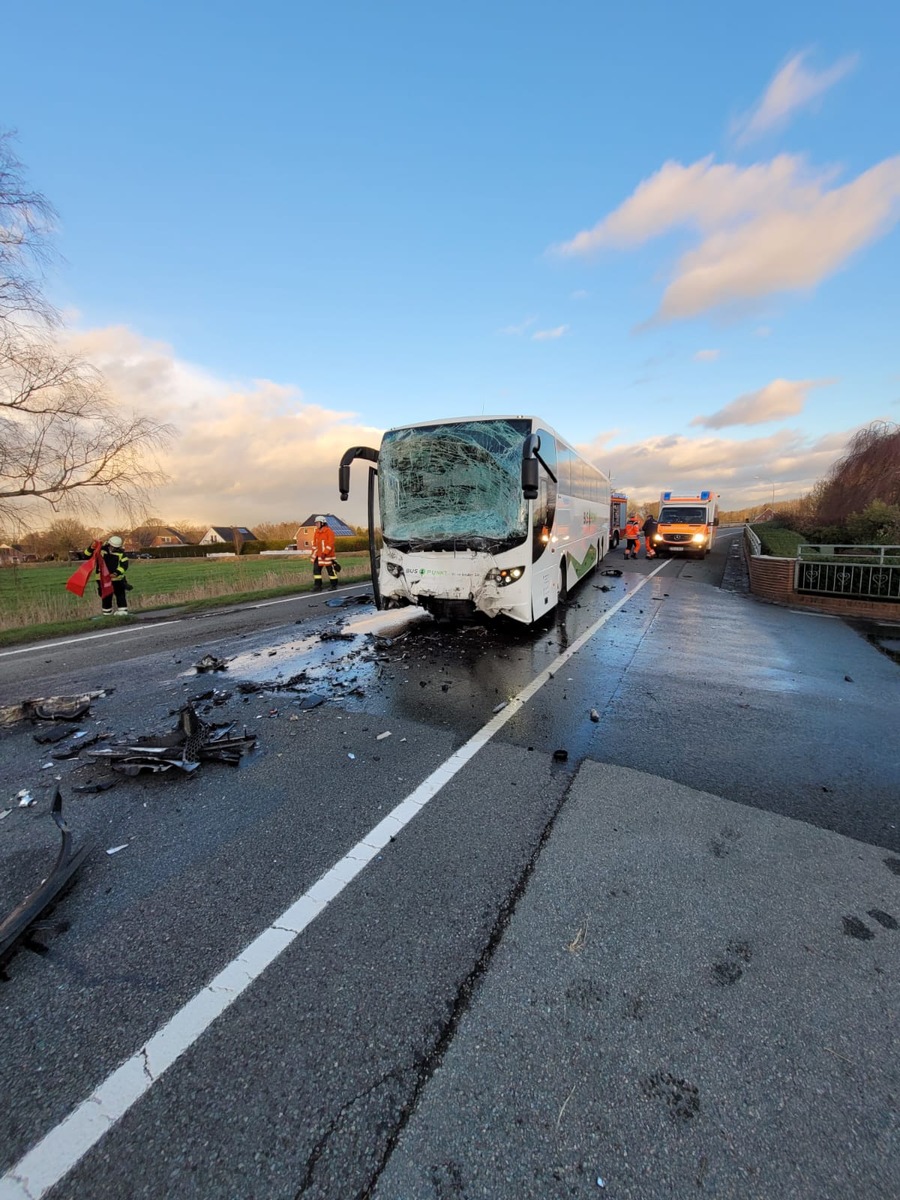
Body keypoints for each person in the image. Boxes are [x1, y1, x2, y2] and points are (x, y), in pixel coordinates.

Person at [82, 535, 130, 615]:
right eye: (112, 546)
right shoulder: (101, 550)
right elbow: (86, 556)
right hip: (102, 579)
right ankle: (107, 613)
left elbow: (124, 565)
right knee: (106, 596)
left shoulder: (121, 554)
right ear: (109, 544)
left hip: (117, 579)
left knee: (120, 595)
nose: (113, 548)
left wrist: (116, 573)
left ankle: (123, 612)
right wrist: (91, 547)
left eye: (115, 547)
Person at [311, 517, 338, 591]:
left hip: (327, 556)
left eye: (317, 523)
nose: (316, 524)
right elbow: (314, 544)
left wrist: (325, 553)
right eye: (315, 523)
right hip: (318, 555)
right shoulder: (316, 532)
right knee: (316, 571)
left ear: (322, 523)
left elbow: (330, 544)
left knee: (331, 571)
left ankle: (334, 585)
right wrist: (313, 554)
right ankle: (318, 586)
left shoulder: (329, 531)